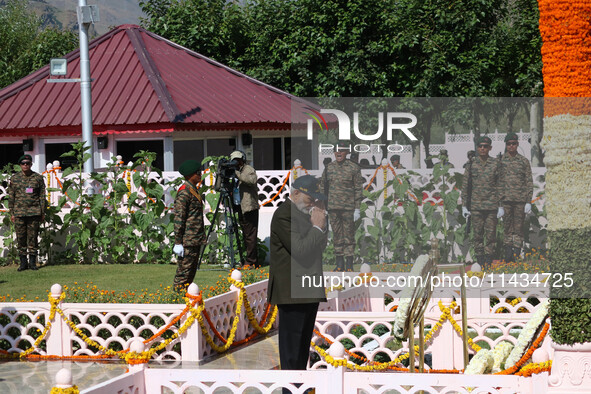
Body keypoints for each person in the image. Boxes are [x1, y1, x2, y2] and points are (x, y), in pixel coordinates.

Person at [267, 175, 327, 380]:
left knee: (302, 350)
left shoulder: (304, 215)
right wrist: (317, 226)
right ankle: (290, 389)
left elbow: (320, 245)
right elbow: (300, 250)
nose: (313, 203)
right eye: (310, 198)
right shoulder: (284, 215)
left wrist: (320, 225)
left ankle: (299, 387)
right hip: (292, 292)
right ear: (296, 193)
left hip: (308, 288)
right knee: (292, 353)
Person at [320, 146, 364, 271]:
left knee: (349, 235)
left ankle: (349, 264)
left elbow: (358, 189)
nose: (339, 153)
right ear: (334, 152)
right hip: (333, 207)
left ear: (347, 152)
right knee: (337, 235)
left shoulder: (354, 168)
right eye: (337, 151)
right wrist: (324, 205)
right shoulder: (329, 168)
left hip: (348, 208)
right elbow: (323, 187)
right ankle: (339, 264)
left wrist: (357, 209)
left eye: (342, 151)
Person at [461, 136, 502, 268]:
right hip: (476, 206)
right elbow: (465, 186)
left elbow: (501, 185)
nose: (482, 148)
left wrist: (500, 205)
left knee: (490, 236)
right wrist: (464, 206)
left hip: (491, 206)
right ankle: (479, 262)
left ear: (490, 148)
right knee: (477, 236)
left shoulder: (496, 163)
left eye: (485, 146)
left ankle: (488, 262)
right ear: (477, 148)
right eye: (480, 146)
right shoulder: (471, 164)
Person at [499, 132, 533, 262]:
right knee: (507, 229)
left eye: (513, 143)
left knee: (518, 229)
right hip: (506, 201)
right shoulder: (500, 161)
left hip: (520, 201)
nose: (511, 146)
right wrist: (499, 204)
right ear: (506, 145)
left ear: (517, 144)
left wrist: (528, 201)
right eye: (509, 144)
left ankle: (516, 255)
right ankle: (508, 257)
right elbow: (497, 182)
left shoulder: (523, 161)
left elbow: (529, 181)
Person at [172, 160, 206, 290]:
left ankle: (187, 299)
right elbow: (179, 218)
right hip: (187, 240)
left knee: (191, 273)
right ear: (190, 175)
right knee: (183, 273)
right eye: (198, 173)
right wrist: (178, 242)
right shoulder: (184, 192)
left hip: (194, 238)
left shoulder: (193, 190)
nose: (200, 175)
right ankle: (176, 300)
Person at [8, 154, 46, 271]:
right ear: (20, 165)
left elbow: (42, 196)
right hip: (19, 213)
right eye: (23, 163)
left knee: (33, 238)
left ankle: (33, 263)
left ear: (31, 164)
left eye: (28, 163)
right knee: (21, 238)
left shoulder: (38, 178)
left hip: (34, 212)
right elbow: (11, 196)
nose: (25, 165)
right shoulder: (14, 179)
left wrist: (42, 212)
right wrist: (12, 213)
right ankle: (23, 263)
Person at [230, 150, 260, 267]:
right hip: (238, 206)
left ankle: (251, 262)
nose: (236, 162)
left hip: (249, 207)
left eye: (238, 160)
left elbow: (252, 180)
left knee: (250, 236)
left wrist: (236, 173)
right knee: (245, 235)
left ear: (242, 159)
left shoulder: (248, 169)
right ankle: (247, 260)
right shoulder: (232, 171)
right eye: (234, 160)